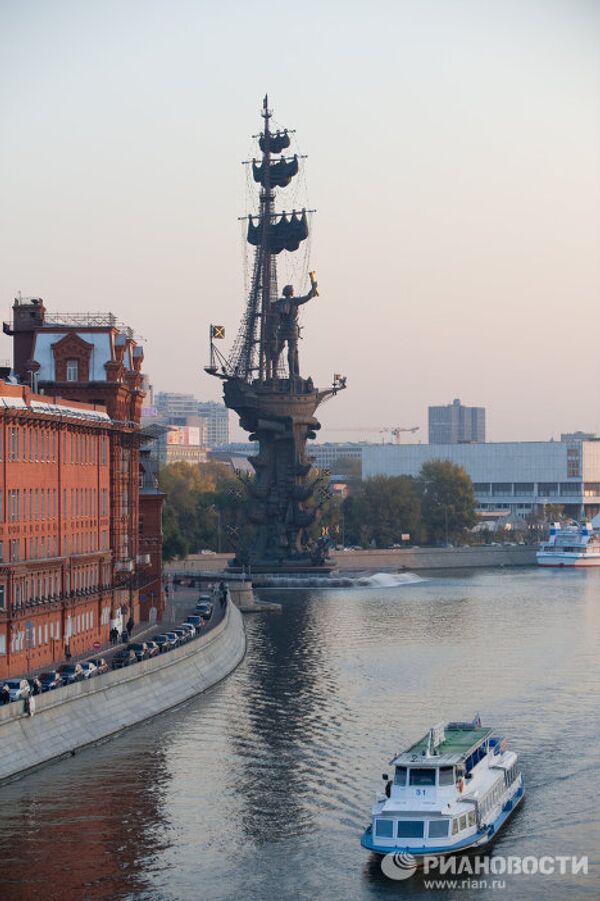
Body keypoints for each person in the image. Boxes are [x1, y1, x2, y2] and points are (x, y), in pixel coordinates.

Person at [270, 279, 318, 377]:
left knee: (277, 350)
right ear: (291, 292)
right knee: (291, 350)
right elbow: (307, 297)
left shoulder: (279, 302)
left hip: (282, 328)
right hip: (292, 328)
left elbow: (271, 307)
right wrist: (313, 288)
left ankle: (274, 372)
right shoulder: (294, 301)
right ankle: (292, 373)